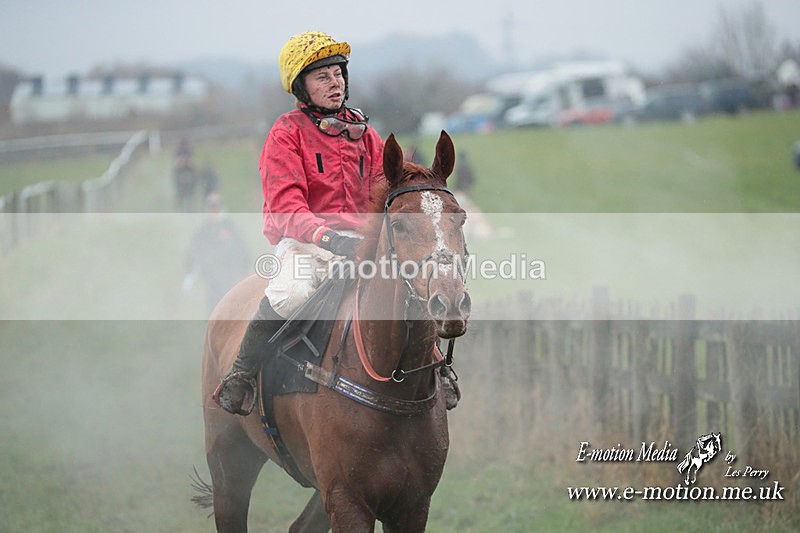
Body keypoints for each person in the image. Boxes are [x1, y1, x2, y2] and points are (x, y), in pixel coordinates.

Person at [212, 31, 385, 415]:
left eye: (338, 73)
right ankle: (241, 375)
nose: (335, 82)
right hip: (307, 244)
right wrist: (327, 237)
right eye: (322, 76)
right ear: (301, 87)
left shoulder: (367, 135)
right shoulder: (286, 133)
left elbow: (382, 192)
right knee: (289, 296)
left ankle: (437, 372)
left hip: (362, 244)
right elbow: (287, 206)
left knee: (409, 291)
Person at [184, 192, 251, 314]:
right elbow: (193, 250)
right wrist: (189, 273)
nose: (214, 210)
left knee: (228, 307)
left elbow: (242, 247)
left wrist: (244, 269)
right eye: (211, 208)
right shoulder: (203, 229)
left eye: (216, 207)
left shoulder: (229, 226)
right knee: (213, 309)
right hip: (210, 276)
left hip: (228, 273)